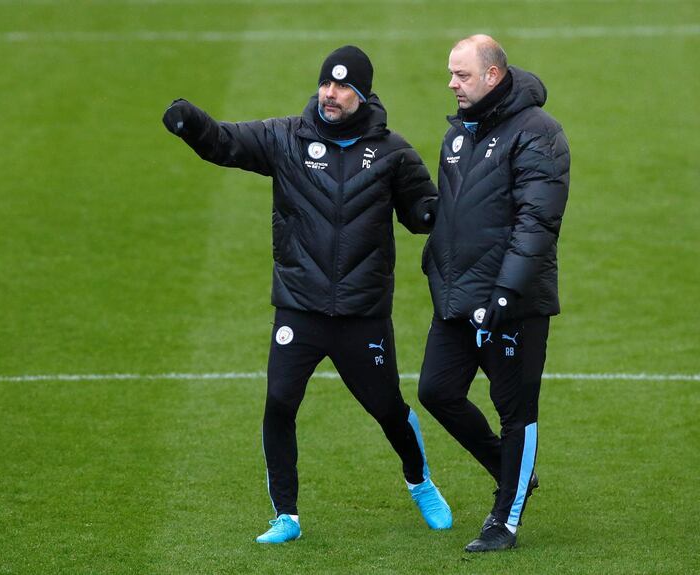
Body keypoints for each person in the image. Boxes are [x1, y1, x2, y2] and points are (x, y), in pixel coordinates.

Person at [162, 45, 452, 544]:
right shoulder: (285, 139)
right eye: (326, 84)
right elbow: (226, 143)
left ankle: (420, 481)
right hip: (300, 305)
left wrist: (440, 211)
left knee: (387, 409)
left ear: (362, 95)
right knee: (279, 402)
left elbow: (420, 211)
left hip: (362, 313)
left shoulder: (392, 154)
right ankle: (287, 516)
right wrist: (191, 123)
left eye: (342, 88)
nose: (330, 94)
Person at [417, 35, 570, 552]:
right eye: (451, 73)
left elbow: (537, 220)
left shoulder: (539, 134)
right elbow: (460, 209)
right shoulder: (460, 134)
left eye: (461, 75)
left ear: (493, 76)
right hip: (458, 296)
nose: (452, 84)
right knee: (436, 390)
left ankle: (504, 521)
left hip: (513, 302)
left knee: (516, 411)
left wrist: (505, 294)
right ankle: (510, 469)